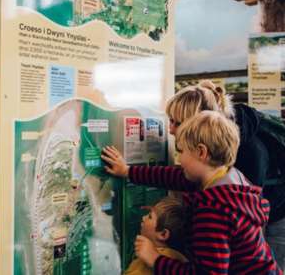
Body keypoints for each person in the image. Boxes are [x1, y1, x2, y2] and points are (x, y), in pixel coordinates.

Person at [102, 111, 281, 274]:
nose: (179, 159)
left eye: (181, 151)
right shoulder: (231, 180)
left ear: (201, 152)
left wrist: (154, 259)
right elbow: (176, 177)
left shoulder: (214, 209)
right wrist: (127, 171)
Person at [124, 197, 188, 275]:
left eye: (150, 217)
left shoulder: (147, 262)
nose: (143, 218)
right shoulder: (177, 258)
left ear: (163, 234)